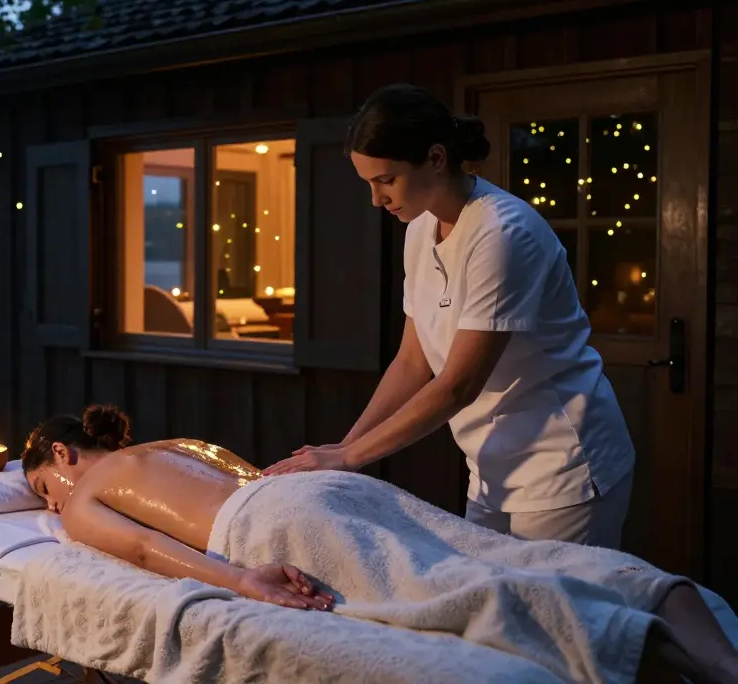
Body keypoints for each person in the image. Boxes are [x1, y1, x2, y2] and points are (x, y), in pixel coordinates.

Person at [22, 404, 738, 683]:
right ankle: (691, 632)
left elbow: (148, 553)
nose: (53, 506)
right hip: (326, 489)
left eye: (44, 489)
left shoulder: (87, 492)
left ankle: (644, 649)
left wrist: (245, 582)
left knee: (455, 589)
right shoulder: (170, 445)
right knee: (497, 553)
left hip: (272, 522)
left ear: (62, 454)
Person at [263, 83, 637, 551]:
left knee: (558, 619)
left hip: (562, 467)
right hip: (490, 466)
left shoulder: (502, 233)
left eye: (386, 180)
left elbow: (458, 384)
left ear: (436, 159)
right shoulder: (419, 227)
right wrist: (343, 449)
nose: (377, 199)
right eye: (369, 184)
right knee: (487, 606)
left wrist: (353, 457)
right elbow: (412, 363)